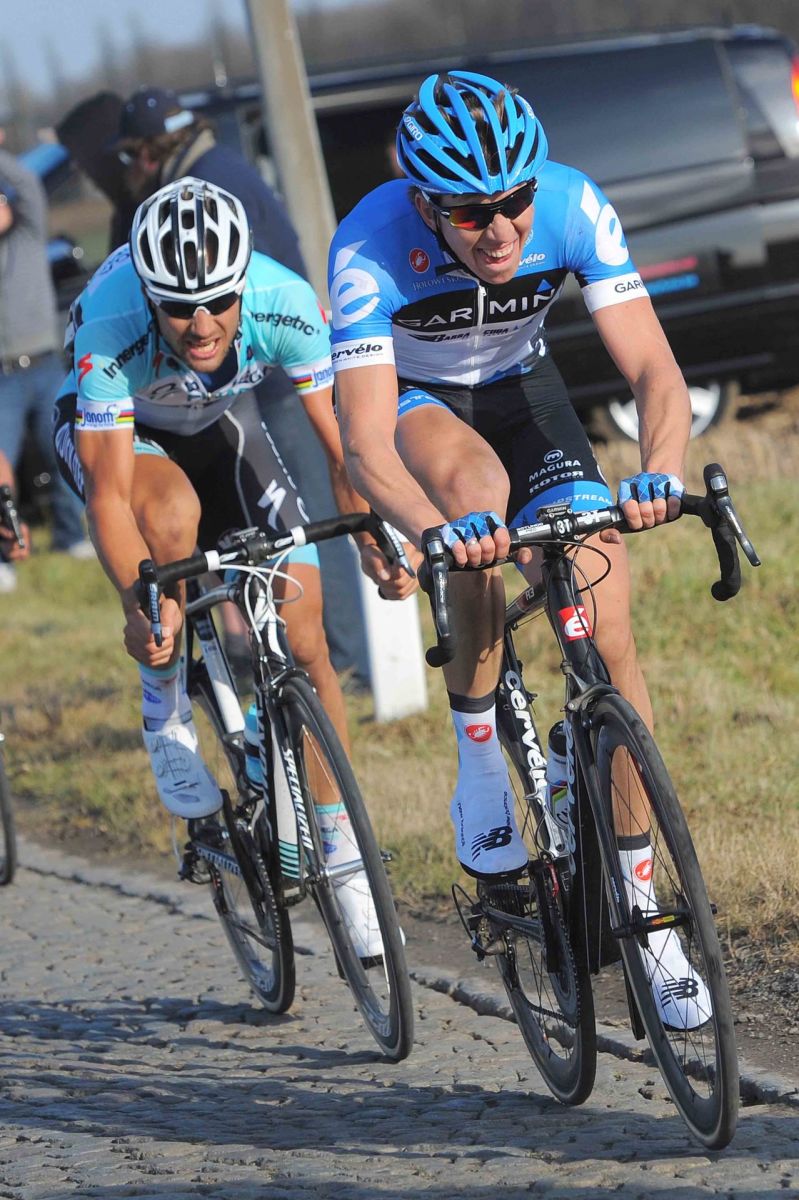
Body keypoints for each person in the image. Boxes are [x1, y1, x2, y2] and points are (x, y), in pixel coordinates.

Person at [328, 70, 708, 1026]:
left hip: (523, 388)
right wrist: (429, 532)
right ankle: (478, 765)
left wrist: (659, 473)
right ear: (426, 205)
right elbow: (365, 445)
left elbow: (654, 370)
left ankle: (647, 917)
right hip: (419, 403)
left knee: (607, 622)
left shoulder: (574, 205)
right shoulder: (369, 246)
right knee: (474, 501)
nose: (498, 229)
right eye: (469, 213)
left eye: (513, 202)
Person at [53, 176, 401, 958]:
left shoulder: (284, 301)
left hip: (217, 425)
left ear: (243, 283)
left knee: (305, 638)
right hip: (123, 440)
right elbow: (107, 499)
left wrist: (371, 537)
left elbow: (342, 445)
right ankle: (164, 705)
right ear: (150, 298)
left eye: (218, 302)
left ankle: (343, 851)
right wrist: (140, 605)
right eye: (180, 309)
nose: (203, 324)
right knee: (170, 519)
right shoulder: (110, 324)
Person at [106, 85, 367, 681]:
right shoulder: (212, 169)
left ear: (148, 150)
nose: (126, 169)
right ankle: (297, 652)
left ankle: (337, 657)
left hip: (269, 369)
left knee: (306, 516)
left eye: (127, 155)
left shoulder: (207, 183)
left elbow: (243, 284)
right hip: (257, 365)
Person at [0, 131, 92, 587]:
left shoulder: (30, 234)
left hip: (45, 365)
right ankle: (4, 556)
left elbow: (28, 182)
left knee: (64, 453)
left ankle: (71, 535)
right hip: (2, 377)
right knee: (2, 468)